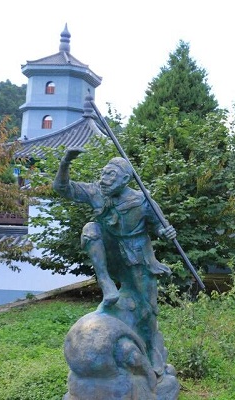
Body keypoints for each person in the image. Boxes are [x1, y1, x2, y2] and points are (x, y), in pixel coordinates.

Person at [53, 147, 176, 377]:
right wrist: (65, 162)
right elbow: (62, 188)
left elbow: (160, 226)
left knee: (148, 308)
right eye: (103, 173)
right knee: (91, 229)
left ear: (126, 179)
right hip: (110, 252)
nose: (104, 178)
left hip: (137, 254)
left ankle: (151, 349)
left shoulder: (143, 200)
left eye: (111, 175)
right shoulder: (96, 192)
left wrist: (165, 231)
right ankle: (106, 284)